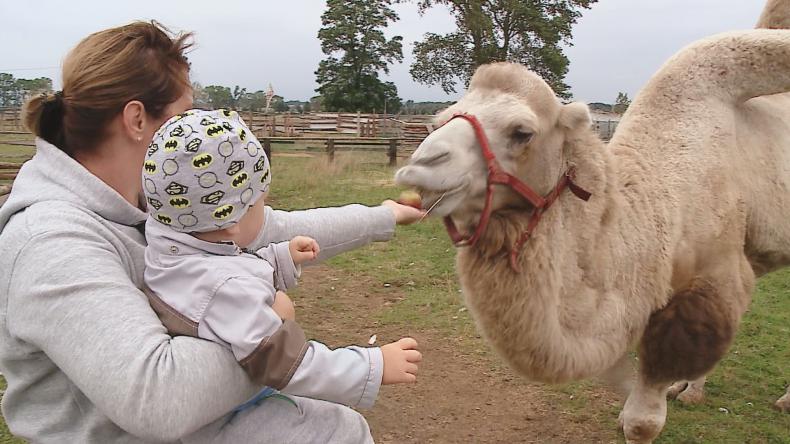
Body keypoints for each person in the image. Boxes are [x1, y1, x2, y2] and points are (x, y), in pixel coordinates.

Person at [0, 21, 423, 443]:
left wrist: (382, 217)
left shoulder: (161, 205)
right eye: (183, 116)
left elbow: (272, 230)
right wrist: (272, 328)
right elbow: (158, 400)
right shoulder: (52, 242)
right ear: (136, 119)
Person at [142, 108, 420, 409]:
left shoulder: (174, 246)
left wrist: (279, 258)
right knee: (339, 427)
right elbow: (290, 365)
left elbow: (227, 268)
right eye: (261, 200)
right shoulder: (224, 290)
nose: (266, 207)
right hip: (225, 418)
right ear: (232, 221)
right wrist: (372, 366)